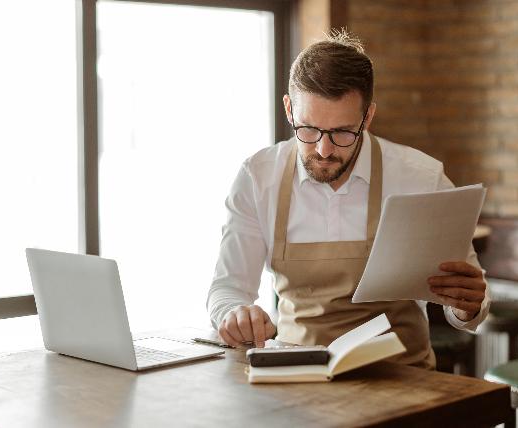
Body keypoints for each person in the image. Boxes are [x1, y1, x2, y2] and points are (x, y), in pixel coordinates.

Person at [207, 30, 489, 369]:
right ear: (289, 109)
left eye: (342, 132)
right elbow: (227, 289)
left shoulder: (421, 178)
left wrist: (467, 306)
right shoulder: (257, 177)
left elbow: (468, 307)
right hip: (298, 374)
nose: (324, 150)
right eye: (308, 130)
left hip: (404, 378)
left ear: (367, 117)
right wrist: (234, 314)